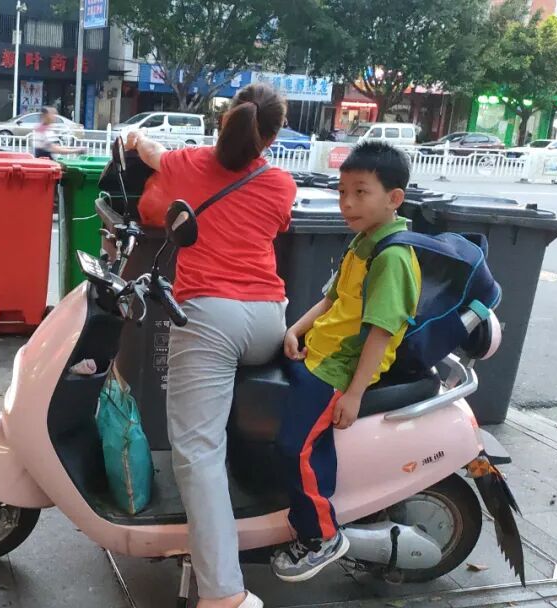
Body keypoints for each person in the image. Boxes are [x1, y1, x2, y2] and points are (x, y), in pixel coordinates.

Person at [125, 83, 296, 608]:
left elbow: (152, 153)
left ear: (225, 120)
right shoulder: (281, 183)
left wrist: (134, 140)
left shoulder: (187, 164)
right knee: (220, 431)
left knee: (199, 452)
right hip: (268, 319)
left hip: (209, 319)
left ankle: (223, 593)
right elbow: (277, 226)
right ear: (272, 136)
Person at [271, 141, 421, 582]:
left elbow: (381, 331)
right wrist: (295, 329)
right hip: (318, 354)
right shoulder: (363, 241)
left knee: (294, 447)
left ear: (394, 198)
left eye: (360, 192)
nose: (347, 203)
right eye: (342, 192)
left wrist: (353, 394)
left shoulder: (392, 256)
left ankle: (322, 536)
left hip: (338, 370)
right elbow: (333, 298)